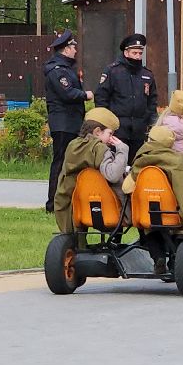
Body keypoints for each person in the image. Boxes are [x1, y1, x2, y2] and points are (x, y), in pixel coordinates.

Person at [130, 123, 183, 270]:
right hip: (172, 214)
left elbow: (128, 187)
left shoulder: (140, 161)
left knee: (148, 229)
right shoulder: (179, 162)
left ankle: (158, 257)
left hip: (147, 214)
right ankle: (175, 260)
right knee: (179, 228)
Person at [50, 107, 130, 235]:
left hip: (71, 206)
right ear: (98, 131)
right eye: (110, 134)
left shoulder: (73, 146)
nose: (111, 139)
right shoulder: (99, 149)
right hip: (104, 208)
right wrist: (122, 150)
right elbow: (112, 175)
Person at [42, 31, 91, 213]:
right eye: (73, 47)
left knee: (70, 162)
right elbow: (67, 93)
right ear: (66, 49)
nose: (75, 51)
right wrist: (86, 95)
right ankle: (53, 204)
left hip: (71, 122)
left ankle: (66, 201)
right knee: (60, 162)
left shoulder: (66, 68)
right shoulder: (57, 70)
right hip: (63, 123)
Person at [95, 33, 157, 154]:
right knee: (116, 165)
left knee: (136, 165)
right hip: (117, 130)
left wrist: (148, 121)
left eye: (140, 53)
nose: (138, 57)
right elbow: (101, 98)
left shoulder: (147, 75)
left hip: (139, 130)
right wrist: (106, 124)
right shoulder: (113, 71)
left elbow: (152, 101)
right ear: (126, 52)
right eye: (134, 53)